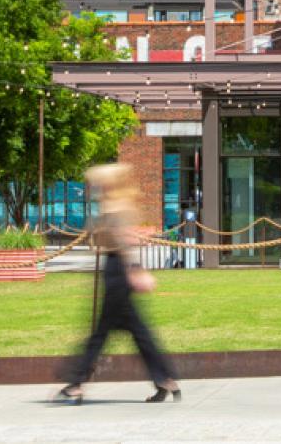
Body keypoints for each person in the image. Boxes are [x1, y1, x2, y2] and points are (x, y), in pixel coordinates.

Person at [57, 164, 182, 404]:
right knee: (137, 332)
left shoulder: (116, 206)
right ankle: (165, 379)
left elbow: (121, 241)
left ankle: (76, 382)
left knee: (101, 333)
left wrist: (134, 270)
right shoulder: (114, 204)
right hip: (116, 269)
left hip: (117, 271)